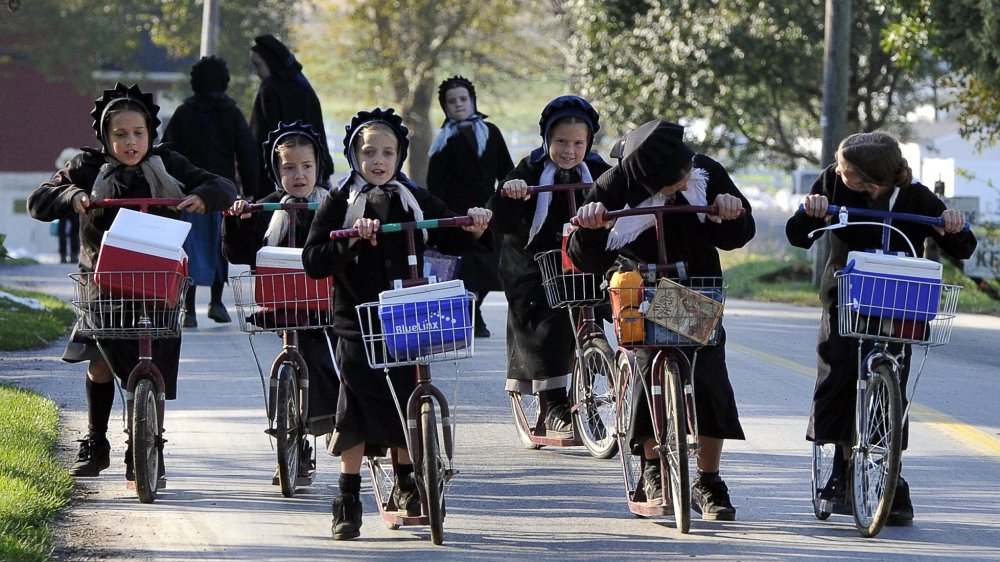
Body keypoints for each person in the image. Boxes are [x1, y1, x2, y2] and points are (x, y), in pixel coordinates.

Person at [27, 82, 236, 478]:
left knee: (152, 361)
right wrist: (72, 196)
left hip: (158, 280)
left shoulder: (169, 164)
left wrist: (204, 197)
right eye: (119, 134)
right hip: (103, 281)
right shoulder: (87, 167)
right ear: (105, 137)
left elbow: (223, 185)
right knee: (101, 361)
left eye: (138, 133)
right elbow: (39, 201)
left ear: (150, 134)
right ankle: (95, 440)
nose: (130, 142)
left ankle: (142, 445)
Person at [301, 108, 493, 540]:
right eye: (369, 152)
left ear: (401, 156)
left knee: (408, 394)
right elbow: (314, 261)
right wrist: (350, 237)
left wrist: (477, 226)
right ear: (354, 155)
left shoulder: (412, 196)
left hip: (409, 317)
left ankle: (407, 481)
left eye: (388, 152)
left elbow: (452, 232)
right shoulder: (339, 200)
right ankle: (348, 498)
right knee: (356, 405)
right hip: (358, 320)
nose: (379, 161)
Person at [785, 131, 977, 525]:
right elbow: (797, 234)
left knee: (894, 390)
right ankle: (839, 466)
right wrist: (811, 210)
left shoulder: (917, 198)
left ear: (869, 180)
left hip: (900, 304)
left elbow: (964, 248)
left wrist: (955, 225)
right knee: (838, 372)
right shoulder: (832, 184)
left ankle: (892, 476)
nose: (838, 173)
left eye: (845, 169)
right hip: (848, 300)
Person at [569, 119, 755, 521]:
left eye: (686, 172)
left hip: (696, 289)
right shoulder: (614, 186)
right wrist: (592, 223)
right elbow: (585, 256)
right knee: (643, 372)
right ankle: (652, 468)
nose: (685, 181)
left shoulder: (705, 172)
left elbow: (740, 232)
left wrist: (730, 212)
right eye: (674, 181)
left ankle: (708, 480)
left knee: (709, 378)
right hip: (641, 289)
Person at [221, 120, 339, 478]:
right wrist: (237, 219)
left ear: (319, 167)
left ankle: (328, 422)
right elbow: (239, 252)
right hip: (284, 303)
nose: (299, 175)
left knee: (324, 357)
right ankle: (293, 442)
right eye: (289, 168)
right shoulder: (269, 208)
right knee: (292, 360)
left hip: (326, 305)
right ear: (276, 171)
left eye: (306, 167)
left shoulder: (334, 205)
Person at [486, 95, 610, 435]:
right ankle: (553, 403)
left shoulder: (599, 172)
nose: (569, 151)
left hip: (580, 260)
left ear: (588, 143)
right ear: (547, 139)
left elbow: (623, 199)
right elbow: (499, 217)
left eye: (577, 143)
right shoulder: (530, 169)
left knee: (598, 299)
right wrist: (511, 192)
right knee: (548, 319)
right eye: (561, 142)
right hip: (534, 261)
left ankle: (590, 385)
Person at [163, 55, 259, 328]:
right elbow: (247, 153)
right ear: (224, 82)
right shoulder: (231, 112)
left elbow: (166, 151)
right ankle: (216, 302)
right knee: (220, 247)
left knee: (190, 248)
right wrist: (250, 189)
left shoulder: (184, 113)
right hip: (222, 192)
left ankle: (189, 309)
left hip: (189, 193)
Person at [426, 75, 514, 337]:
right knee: (467, 267)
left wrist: (505, 202)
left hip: (488, 212)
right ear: (445, 107)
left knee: (491, 267)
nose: (459, 105)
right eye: (452, 101)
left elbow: (506, 172)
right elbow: (435, 186)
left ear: (473, 100)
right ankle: (471, 313)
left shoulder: (492, 133)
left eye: (463, 99)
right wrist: (442, 218)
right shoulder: (443, 141)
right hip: (458, 217)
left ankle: (474, 306)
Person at [249, 34, 334, 200]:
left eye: (258, 64)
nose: (256, 71)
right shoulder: (302, 84)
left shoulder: (270, 90)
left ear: (270, 61)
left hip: (274, 177)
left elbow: (259, 134)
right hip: (311, 175)